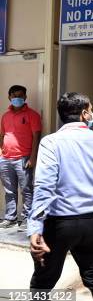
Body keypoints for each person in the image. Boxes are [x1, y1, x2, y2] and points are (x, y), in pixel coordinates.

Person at [28, 92, 93, 301]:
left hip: (60, 223)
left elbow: (44, 186)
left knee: (42, 284)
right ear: (83, 114)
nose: (92, 113)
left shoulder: (51, 143)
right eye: (90, 109)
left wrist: (35, 227)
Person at [0, 85, 41, 231]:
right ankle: (10, 218)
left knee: (27, 189)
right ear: (9, 97)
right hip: (5, 159)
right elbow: (3, 135)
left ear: (25, 97)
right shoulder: (5, 116)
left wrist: (33, 157)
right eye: (14, 95)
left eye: (20, 95)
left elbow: (36, 136)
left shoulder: (33, 115)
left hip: (23, 158)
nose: (17, 98)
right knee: (9, 191)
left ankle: (27, 218)